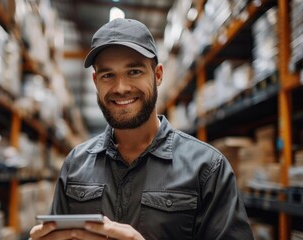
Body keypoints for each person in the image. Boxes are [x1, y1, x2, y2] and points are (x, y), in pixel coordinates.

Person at [30, 18, 254, 240]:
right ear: (95, 81)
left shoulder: (207, 169)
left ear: (157, 75)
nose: (121, 88)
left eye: (134, 71)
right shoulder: (75, 165)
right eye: (108, 75)